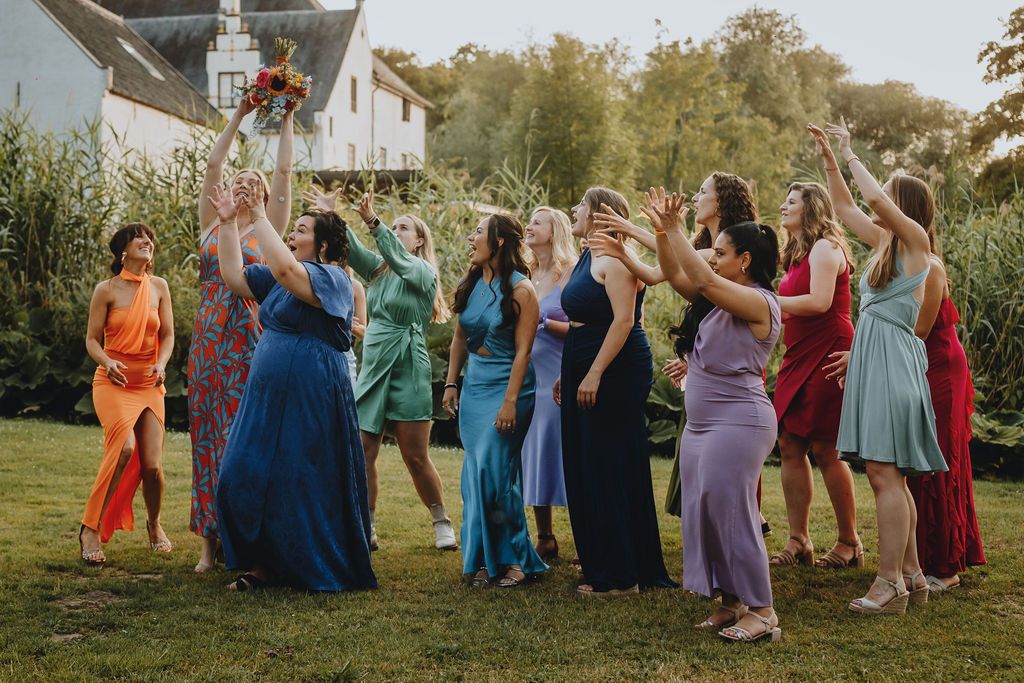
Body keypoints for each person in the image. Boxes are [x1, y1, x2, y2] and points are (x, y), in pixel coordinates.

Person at [209, 181, 376, 592]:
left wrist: (259, 214)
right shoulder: (282, 279)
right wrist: (228, 224)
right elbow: (234, 278)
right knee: (241, 470)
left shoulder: (333, 279)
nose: (292, 235)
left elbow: (286, 269)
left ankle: (291, 564)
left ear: (323, 245)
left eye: (301, 230)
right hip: (266, 397)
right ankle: (264, 561)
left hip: (312, 392)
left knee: (299, 476)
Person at [811, 119, 948, 615]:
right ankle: (911, 574)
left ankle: (888, 583)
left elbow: (868, 198)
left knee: (885, 475)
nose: (879, 197)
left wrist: (851, 153)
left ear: (902, 205)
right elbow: (846, 207)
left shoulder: (916, 244)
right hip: (878, 360)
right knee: (890, 476)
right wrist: (831, 162)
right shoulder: (886, 245)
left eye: (888, 192)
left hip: (894, 367)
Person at [591, 175, 767, 531]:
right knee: (703, 461)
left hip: (731, 369)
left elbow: (678, 263)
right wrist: (632, 243)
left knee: (726, 466)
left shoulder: (728, 253)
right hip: (706, 361)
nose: (695, 197)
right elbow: (662, 271)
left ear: (722, 201)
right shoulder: (705, 248)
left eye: (703, 192)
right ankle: (728, 526)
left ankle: (746, 523)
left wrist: (642, 229)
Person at [653, 188, 783, 643]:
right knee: (705, 510)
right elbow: (678, 276)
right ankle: (731, 602)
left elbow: (704, 282)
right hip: (703, 424)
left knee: (734, 514)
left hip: (739, 422)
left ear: (744, 260)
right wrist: (662, 235)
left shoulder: (760, 302)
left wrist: (675, 229)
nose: (713, 258)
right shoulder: (720, 299)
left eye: (721, 253)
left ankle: (763, 611)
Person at [305, 186, 456, 551]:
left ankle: (441, 520)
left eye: (404, 228)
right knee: (362, 450)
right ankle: (367, 524)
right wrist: (331, 215)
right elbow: (350, 248)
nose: (396, 230)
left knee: (415, 455)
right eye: (394, 226)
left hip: (409, 365)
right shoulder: (377, 271)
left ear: (419, 241)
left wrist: (373, 221)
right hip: (374, 364)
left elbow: (399, 260)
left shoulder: (422, 271)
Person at [189, 101, 294, 573]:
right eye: (239, 180)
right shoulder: (213, 223)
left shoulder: (270, 230)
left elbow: (285, 172)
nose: (245, 184)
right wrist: (239, 115)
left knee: (244, 433)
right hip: (209, 337)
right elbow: (214, 163)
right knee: (207, 434)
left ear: (264, 195)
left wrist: (286, 117)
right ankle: (208, 541)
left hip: (251, 334)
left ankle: (247, 536)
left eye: (255, 182)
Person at [557, 187, 676, 598]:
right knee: (588, 460)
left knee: (607, 463)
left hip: (614, 366)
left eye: (581, 204)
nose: (574, 209)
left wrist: (593, 373)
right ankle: (606, 558)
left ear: (598, 214)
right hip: (583, 357)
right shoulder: (588, 257)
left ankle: (622, 575)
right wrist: (569, 372)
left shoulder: (616, 260)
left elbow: (624, 321)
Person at [442, 214, 548, 587]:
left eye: (478, 232)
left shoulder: (522, 290)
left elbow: (523, 352)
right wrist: (451, 383)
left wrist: (510, 402)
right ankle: (487, 559)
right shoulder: (471, 283)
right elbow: (459, 339)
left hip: (510, 386)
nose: (471, 238)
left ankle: (517, 559)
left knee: (497, 474)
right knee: (476, 476)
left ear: (499, 241)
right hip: (475, 386)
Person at [771, 182, 862, 569]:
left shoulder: (826, 247)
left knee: (826, 447)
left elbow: (820, 302)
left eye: (791, 202)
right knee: (790, 443)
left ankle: (849, 542)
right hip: (798, 352)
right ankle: (799, 540)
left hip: (829, 352)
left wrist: (768, 302)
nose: (783, 206)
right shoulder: (796, 253)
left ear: (811, 208)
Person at [80, 224, 174, 564]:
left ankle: (154, 523)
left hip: (149, 385)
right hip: (113, 383)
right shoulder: (105, 290)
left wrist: (162, 363)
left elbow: (168, 336)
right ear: (123, 249)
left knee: (152, 467)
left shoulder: (159, 287)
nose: (147, 241)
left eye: (150, 238)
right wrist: (107, 361)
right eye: (139, 237)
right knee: (124, 449)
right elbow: (92, 340)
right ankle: (90, 528)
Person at [908, 234, 986, 592]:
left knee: (939, 454)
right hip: (917, 365)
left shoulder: (931, 266)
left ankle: (946, 564)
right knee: (917, 454)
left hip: (940, 366)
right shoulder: (899, 257)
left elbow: (920, 330)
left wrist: (867, 351)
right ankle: (920, 556)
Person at [520, 206, 576, 561]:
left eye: (537, 222)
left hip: (559, 372)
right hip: (529, 375)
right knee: (535, 450)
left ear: (554, 231)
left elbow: (585, 326)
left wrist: (546, 323)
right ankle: (546, 536)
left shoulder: (570, 272)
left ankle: (586, 536)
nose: (529, 226)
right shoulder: (525, 274)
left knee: (565, 452)